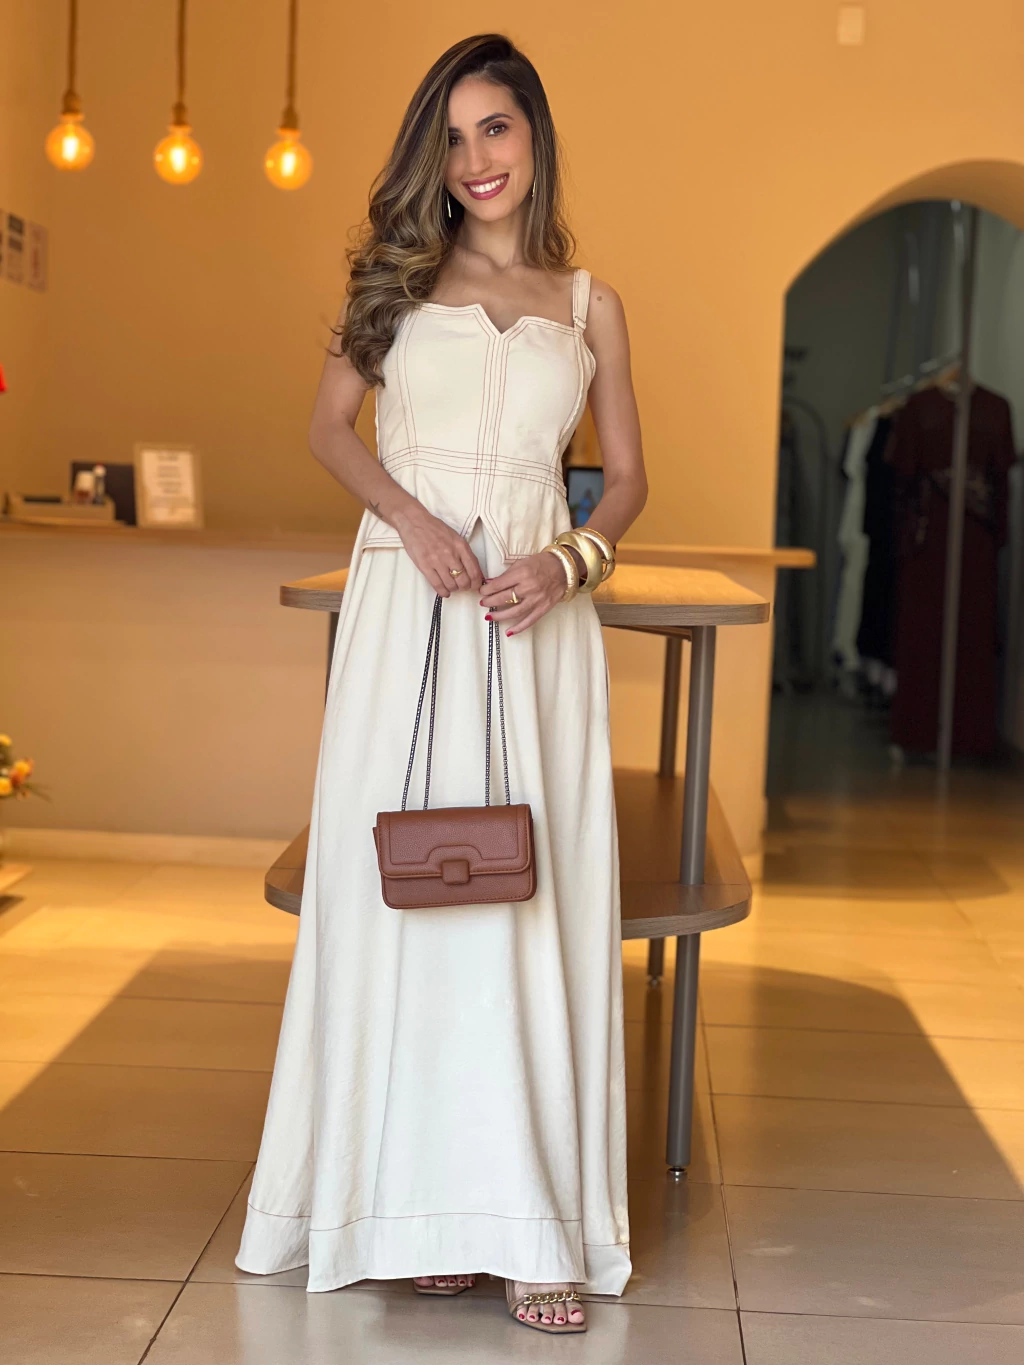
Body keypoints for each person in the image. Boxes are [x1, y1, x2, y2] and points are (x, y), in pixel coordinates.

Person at [236, 32, 647, 1337]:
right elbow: (327, 429)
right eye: (454, 137)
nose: (477, 159)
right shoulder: (395, 282)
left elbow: (628, 481)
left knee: (527, 905)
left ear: (535, 136)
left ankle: (531, 1226)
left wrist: (568, 562)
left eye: (497, 129)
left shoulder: (590, 306)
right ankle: (415, 1209)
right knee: (405, 902)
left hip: (535, 625)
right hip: (408, 609)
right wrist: (411, 523)